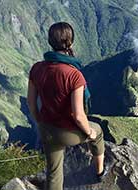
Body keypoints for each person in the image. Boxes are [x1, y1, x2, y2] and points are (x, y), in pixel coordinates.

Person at [27, 22, 105, 190]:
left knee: (53, 173)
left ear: (50, 41)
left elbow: (31, 103)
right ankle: (100, 172)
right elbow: (78, 116)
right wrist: (89, 132)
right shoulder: (74, 75)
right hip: (68, 133)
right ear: (71, 42)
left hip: (46, 129)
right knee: (98, 131)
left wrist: (40, 122)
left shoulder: (36, 69)